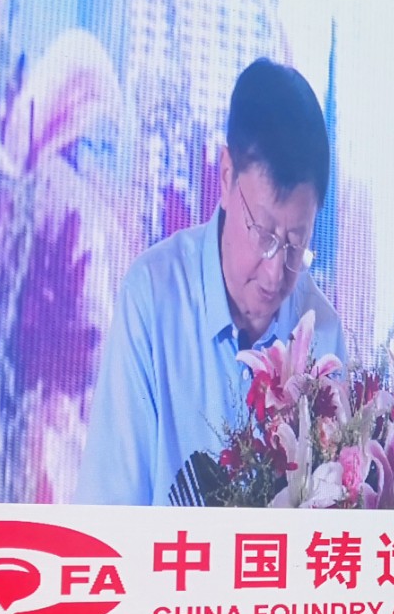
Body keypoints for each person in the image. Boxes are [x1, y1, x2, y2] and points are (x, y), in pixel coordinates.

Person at [76, 58, 344, 506]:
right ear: (225, 176)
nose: (276, 272)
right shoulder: (153, 299)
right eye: (263, 235)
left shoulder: (323, 334)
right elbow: (108, 510)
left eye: (297, 244)